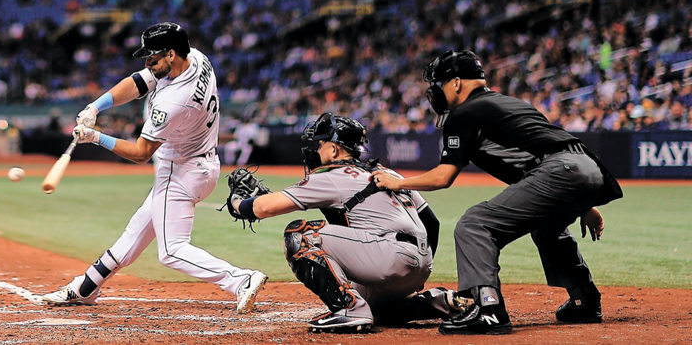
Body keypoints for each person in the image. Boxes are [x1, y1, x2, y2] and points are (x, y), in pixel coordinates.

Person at [373, 50, 623, 335]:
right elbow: (540, 153)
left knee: (474, 225)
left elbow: (444, 177)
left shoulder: (464, 112)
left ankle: (488, 308)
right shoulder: (506, 102)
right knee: (547, 228)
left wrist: (396, 182)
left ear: (456, 83)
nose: (435, 92)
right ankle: (585, 300)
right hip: (586, 165)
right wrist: (584, 204)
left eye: (438, 84)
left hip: (560, 169)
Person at [40, 22, 267, 313]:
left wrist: (95, 137)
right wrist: (95, 107)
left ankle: (240, 279)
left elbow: (140, 153)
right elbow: (138, 82)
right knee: (133, 234)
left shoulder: (173, 101)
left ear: (171, 54)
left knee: (172, 251)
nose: (148, 62)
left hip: (180, 170)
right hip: (201, 164)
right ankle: (85, 288)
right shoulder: (196, 58)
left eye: (153, 57)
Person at [224, 113, 464, 333]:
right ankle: (437, 301)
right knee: (376, 310)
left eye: (320, 144)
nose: (316, 150)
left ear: (335, 149)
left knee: (300, 235)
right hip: (418, 263)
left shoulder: (332, 177)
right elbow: (431, 223)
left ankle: (349, 309)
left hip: (390, 258)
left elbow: (263, 208)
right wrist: (418, 274)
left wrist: (237, 202)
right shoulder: (388, 172)